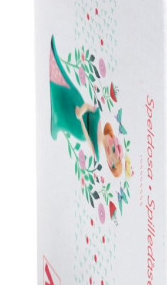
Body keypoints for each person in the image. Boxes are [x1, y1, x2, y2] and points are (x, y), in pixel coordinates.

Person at [49, 36, 124, 178]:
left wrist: (81, 119)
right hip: (79, 107)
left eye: (111, 160)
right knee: (75, 96)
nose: (110, 150)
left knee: (80, 130)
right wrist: (82, 110)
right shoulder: (99, 119)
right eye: (114, 149)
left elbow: (87, 137)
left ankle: (57, 118)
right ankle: (57, 84)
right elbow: (91, 108)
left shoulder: (97, 151)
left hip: (79, 127)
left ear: (108, 162)